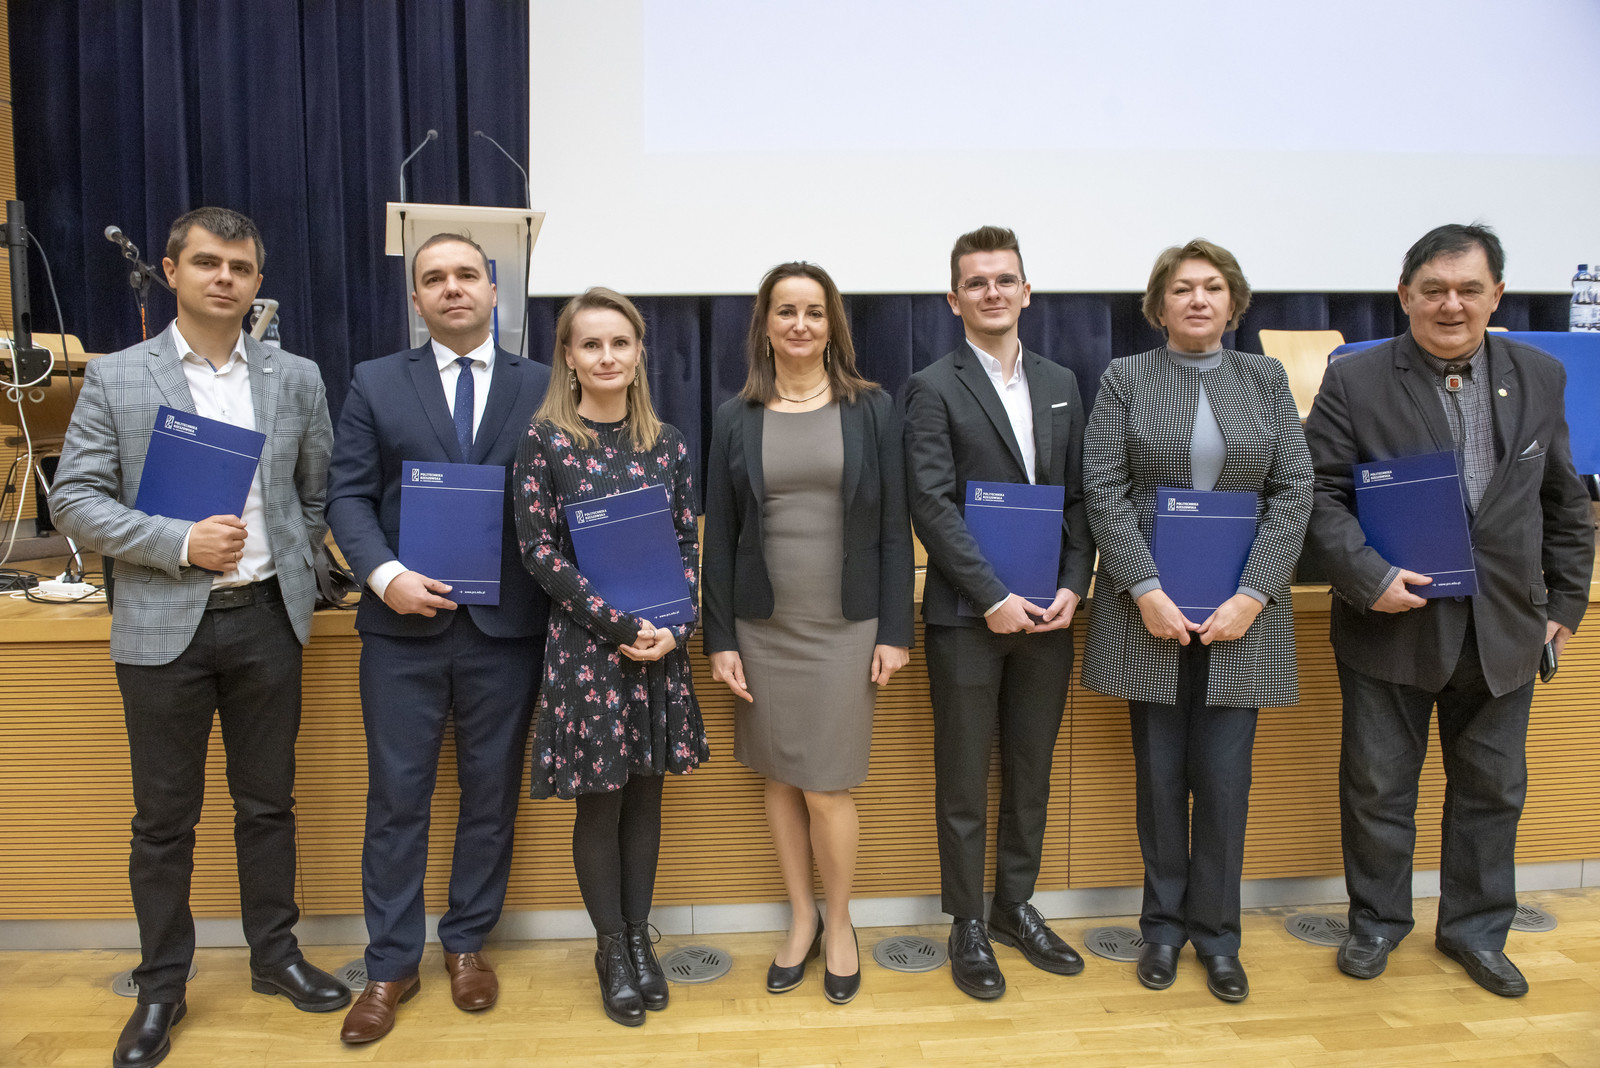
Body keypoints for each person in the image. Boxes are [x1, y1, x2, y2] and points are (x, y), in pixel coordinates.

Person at [49, 206, 346, 1068]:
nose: (225, 278)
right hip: (161, 627)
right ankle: (161, 988)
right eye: (209, 263)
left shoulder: (296, 378)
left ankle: (275, 957)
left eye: (241, 268)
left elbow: (314, 494)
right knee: (163, 821)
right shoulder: (118, 377)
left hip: (267, 622)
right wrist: (179, 543)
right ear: (171, 271)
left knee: (269, 806)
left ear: (258, 283)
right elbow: (74, 500)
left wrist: (285, 555)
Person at [1303, 223, 1593, 998]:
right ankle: (1375, 924)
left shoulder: (1540, 375)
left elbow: (1564, 499)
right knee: (1377, 790)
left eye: (1469, 289)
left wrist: (1567, 602)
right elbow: (1318, 493)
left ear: (1498, 295)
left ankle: (1476, 931)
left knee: (1492, 793)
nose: (1451, 305)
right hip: (1390, 623)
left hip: (1506, 628)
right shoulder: (1356, 380)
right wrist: (1366, 576)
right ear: (1405, 296)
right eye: (1433, 289)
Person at [325, 233, 551, 1042]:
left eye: (466, 275)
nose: (452, 288)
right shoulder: (376, 381)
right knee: (396, 801)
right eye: (434, 278)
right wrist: (384, 574)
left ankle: (465, 944)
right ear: (415, 298)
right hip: (401, 630)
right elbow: (346, 495)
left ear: (493, 290)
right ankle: (390, 963)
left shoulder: (545, 385)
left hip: (507, 629)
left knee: (490, 797)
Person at [1080, 240, 1313, 1003]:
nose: (1199, 300)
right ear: (1159, 305)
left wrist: (1253, 594)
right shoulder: (1125, 378)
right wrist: (1145, 589)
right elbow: (1104, 488)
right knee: (1159, 781)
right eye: (1182, 289)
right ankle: (1162, 930)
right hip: (1147, 614)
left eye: (1213, 287)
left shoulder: (1265, 378)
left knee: (1222, 784)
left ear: (1233, 302)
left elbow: (1294, 491)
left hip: (1243, 617)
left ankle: (1217, 938)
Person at [702, 262, 914, 1005]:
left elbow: (894, 528)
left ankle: (841, 922)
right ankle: (801, 919)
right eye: (786, 311)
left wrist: (895, 630)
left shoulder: (872, 409)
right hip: (763, 627)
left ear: (832, 326)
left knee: (827, 785)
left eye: (814, 312)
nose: (800, 324)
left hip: (847, 626)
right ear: (765, 324)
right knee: (780, 777)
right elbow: (720, 539)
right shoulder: (736, 416)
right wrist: (721, 639)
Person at [902, 225, 1095, 1000]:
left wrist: (1074, 583)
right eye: (976, 282)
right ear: (954, 300)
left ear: (1026, 291)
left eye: (1004, 279)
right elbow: (931, 504)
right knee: (963, 782)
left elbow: (1079, 498)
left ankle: (1015, 906)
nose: (992, 292)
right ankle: (967, 922)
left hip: (1051, 614)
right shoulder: (931, 386)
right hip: (967, 618)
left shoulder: (1061, 380)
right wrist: (992, 596)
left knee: (1031, 773)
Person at [512, 287, 707, 1027]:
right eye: (590, 344)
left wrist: (676, 628)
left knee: (646, 801)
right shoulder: (545, 441)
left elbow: (686, 542)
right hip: (589, 652)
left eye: (619, 343)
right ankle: (610, 950)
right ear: (568, 355)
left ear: (638, 352)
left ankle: (638, 935)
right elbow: (538, 551)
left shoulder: (669, 443)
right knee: (601, 805)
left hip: (658, 650)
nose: (606, 356)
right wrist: (616, 623)